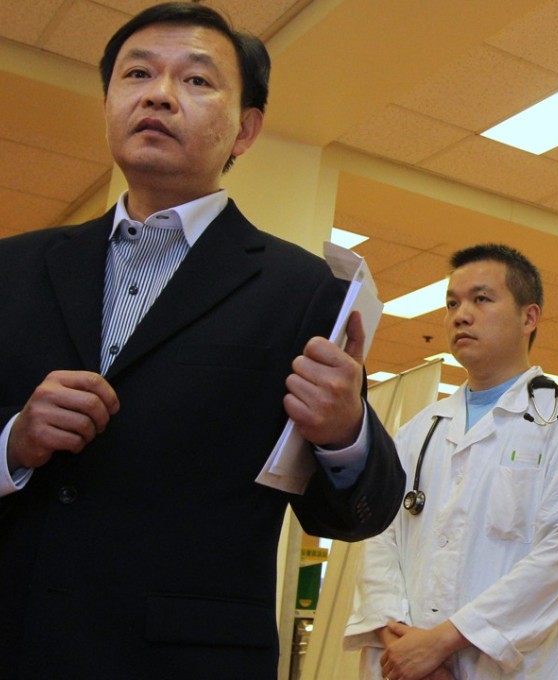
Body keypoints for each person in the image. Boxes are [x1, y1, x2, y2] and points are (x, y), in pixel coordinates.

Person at [0, 4, 404, 678]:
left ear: (245, 130)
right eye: (138, 74)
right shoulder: (11, 269)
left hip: (187, 659)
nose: (159, 93)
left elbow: (357, 514)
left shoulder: (302, 290)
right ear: (109, 104)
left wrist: (344, 430)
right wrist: (13, 442)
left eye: (196, 81)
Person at [344, 244, 558, 680]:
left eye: (481, 299)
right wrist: (405, 645)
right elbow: (379, 541)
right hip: (406, 665)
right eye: (452, 303)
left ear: (529, 318)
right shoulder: (418, 431)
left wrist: (443, 642)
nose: (460, 315)